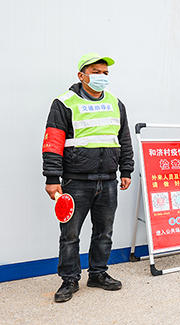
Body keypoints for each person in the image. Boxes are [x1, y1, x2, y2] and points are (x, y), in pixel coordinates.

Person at [42, 53, 134, 302]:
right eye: (96, 72)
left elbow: (123, 139)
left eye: (105, 73)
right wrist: (52, 178)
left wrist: (126, 170)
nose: (102, 77)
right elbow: (53, 143)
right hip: (75, 181)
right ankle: (69, 279)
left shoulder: (116, 103)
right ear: (81, 75)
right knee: (70, 235)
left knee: (104, 232)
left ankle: (97, 274)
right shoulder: (64, 103)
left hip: (108, 180)